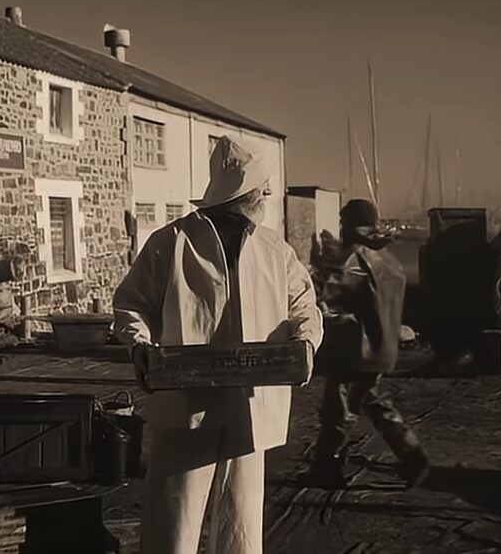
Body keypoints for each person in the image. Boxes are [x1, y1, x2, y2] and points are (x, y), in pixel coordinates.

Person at [113, 136, 323, 554]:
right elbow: (131, 304)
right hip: (185, 406)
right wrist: (140, 346)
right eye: (262, 188)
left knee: (241, 525)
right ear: (247, 192)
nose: (266, 196)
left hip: (250, 407)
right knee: (174, 521)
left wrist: (305, 343)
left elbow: (304, 306)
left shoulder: (273, 250)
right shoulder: (170, 243)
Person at [304, 199, 430, 489]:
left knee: (338, 411)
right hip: (381, 348)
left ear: (351, 224)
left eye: (342, 220)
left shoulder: (355, 259)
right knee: (376, 404)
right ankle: (414, 459)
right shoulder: (389, 257)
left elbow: (325, 291)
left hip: (356, 350)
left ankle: (328, 469)